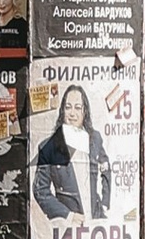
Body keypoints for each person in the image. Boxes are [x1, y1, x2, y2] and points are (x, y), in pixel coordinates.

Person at [33, 85, 111, 219]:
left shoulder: (95, 139)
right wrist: (68, 215)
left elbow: (106, 168)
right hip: (68, 225)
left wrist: (104, 203)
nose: (72, 113)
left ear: (85, 111)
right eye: (68, 107)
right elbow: (40, 191)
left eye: (78, 107)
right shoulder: (48, 147)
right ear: (62, 111)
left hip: (96, 221)